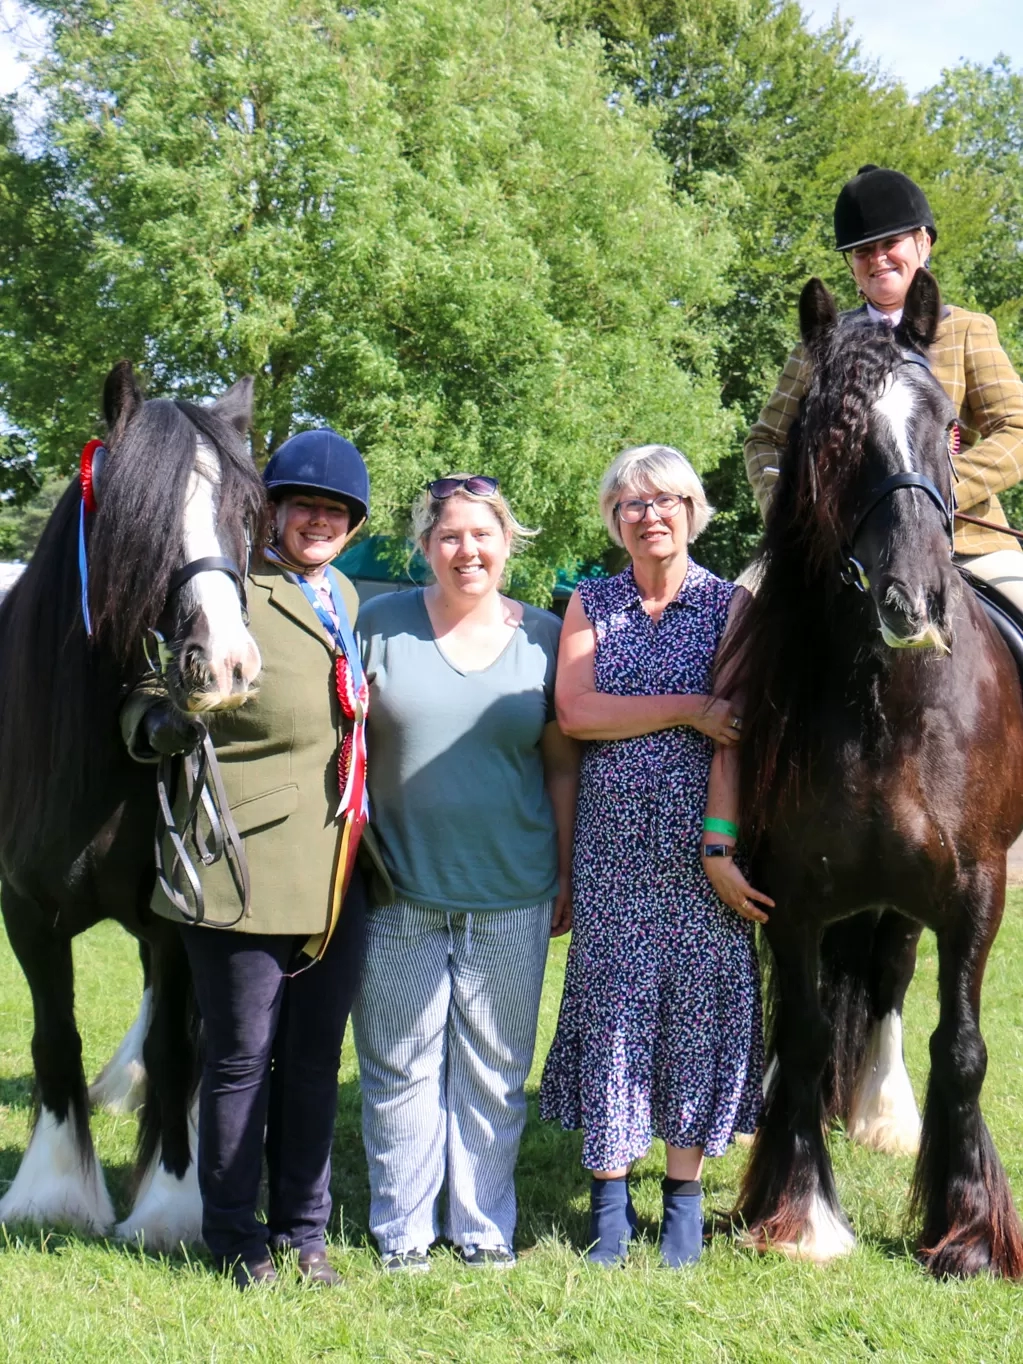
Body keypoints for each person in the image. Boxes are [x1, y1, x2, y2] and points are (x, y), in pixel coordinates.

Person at [122, 428, 391, 1289]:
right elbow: (139, 701)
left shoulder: (343, 593)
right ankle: (234, 1237)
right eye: (303, 505)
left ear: (352, 527)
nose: (319, 520)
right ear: (268, 510)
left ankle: (303, 1231)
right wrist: (159, 724)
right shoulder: (227, 585)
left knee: (314, 1061)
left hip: (339, 863)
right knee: (239, 1061)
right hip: (238, 860)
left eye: (337, 511)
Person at [539, 444, 768, 1268]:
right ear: (614, 518)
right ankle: (607, 1204)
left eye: (664, 500)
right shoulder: (591, 601)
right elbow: (575, 712)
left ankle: (679, 1201)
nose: (649, 515)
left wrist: (718, 848)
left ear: (692, 510)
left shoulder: (730, 607)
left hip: (699, 847)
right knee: (613, 1013)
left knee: (697, 1018)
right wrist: (687, 707)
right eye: (631, 504)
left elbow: (734, 734)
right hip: (611, 849)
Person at [352, 474, 578, 1273]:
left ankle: (483, 1229)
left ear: (508, 543)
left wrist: (563, 870)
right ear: (424, 548)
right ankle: (403, 1233)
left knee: (493, 1067)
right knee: (397, 1062)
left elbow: (558, 767)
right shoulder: (379, 624)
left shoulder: (547, 637)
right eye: (448, 536)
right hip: (396, 890)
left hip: (511, 889)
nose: (466, 550)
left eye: (482, 535)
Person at [745, 164, 1023, 610]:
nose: (878, 259)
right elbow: (766, 440)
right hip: (841, 551)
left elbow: (1017, 431)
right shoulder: (821, 344)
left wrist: (936, 492)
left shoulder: (970, 330)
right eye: (862, 251)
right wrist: (791, 511)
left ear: (923, 242)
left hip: (969, 543)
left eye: (890, 244)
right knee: (742, 610)